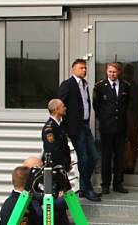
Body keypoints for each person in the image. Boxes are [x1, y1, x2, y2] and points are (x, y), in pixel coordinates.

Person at [57, 58, 101, 202]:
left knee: (93, 156)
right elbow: (60, 105)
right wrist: (64, 126)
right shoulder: (67, 85)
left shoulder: (85, 84)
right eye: (81, 68)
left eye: (85, 68)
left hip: (85, 125)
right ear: (73, 69)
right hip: (75, 127)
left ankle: (83, 187)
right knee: (83, 157)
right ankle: (87, 189)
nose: (84, 70)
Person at [93, 62, 131, 194]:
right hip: (106, 128)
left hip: (120, 127)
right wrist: (103, 118)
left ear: (119, 72)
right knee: (106, 157)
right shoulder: (100, 87)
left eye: (114, 72)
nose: (112, 74)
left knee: (120, 157)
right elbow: (96, 106)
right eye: (109, 71)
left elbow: (126, 105)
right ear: (106, 72)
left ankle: (118, 183)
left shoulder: (126, 86)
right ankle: (105, 185)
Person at [42, 99, 71, 171]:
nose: (65, 108)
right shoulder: (49, 128)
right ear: (56, 110)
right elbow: (53, 149)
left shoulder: (60, 125)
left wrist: (68, 162)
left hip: (62, 166)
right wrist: (64, 164)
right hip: (54, 167)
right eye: (63, 106)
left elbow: (65, 146)